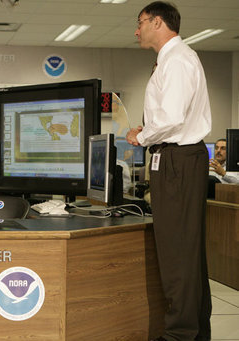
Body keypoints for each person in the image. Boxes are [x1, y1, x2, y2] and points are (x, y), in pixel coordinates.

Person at [126, 2, 212, 340]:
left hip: (177, 160)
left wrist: (142, 135)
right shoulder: (171, 61)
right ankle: (195, 332)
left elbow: (173, 117)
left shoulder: (176, 61)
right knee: (185, 252)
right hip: (174, 159)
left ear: (157, 22)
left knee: (178, 252)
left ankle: (179, 335)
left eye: (140, 23)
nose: (136, 30)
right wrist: (149, 134)